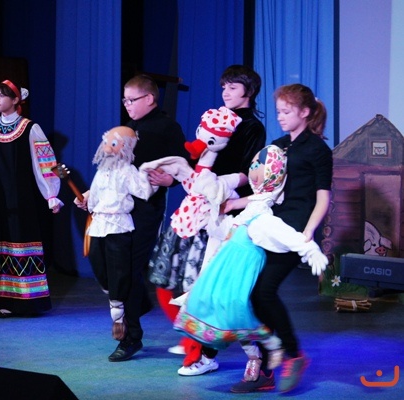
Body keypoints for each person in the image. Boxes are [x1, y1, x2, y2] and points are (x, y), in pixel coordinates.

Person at [148, 65, 268, 377]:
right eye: (224, 86)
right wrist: (177, 177)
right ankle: (194, 341)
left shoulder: (252, 126)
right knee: (170, 278)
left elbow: (249, 172)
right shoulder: (216, 117)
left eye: (233, 87)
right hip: (196, 206)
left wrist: (219, 189)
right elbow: (197, 159)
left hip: (224, 210)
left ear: (249, 91)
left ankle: (205, 351)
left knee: (206, 284)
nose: (226, 92)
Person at [174, 145, 328, 381]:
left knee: (240, 311)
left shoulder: (262, 217)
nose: (254, 168)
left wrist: (310, 249)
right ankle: (254, 351)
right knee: (219, 307)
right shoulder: (252, 210)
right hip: (226, 270)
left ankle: (269, 352)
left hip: (240, 272)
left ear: (272, 174)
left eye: (260, 165)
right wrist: (209, 218)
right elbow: (229, 229)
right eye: (254, 164)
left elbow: (283, 233)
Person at [230, 83, 333, 394]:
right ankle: (267, 366)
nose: (281, 117)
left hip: (293, 231)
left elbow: (323, 198)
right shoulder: (277, 146)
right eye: (278, 112)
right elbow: (265, 191)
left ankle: (292, 355)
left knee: (264, 291)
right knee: (252, 293)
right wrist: (233, 203)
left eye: (287, 111)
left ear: (305, 112)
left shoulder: (318, 150)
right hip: (269, 226)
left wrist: (307, 234)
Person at [105, 74, 190, 362]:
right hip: (119, 208)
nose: (127, 105)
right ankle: (136, 305)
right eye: (125, 100)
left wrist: (170, 180)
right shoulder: (128, 128)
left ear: (150, 99)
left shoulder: (167, 127)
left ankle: (130, 337)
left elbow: (183, 165)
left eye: (132, 99)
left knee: (129, 267)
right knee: (114, 267)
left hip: (146, 209)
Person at [0, 79, 63, 317]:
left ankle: (26, 301)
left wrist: (51, 194)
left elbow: (45, 163)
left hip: (23, 198)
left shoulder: (30, 128)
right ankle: (0, 299)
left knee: (21, 242)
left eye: (2, 95)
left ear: (16, 99)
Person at [74, 126, 157, 347]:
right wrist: (85, 200)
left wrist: (149, 175)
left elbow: (144, 191)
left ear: (126, 147)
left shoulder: (128, 171)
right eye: (106, 142)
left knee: (118, 271)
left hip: (118, 225)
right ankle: (121, 299)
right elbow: (95, 194)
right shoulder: (102, 171)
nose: (107, 148)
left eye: (113, 143)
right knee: (99, 267)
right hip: (99, 224)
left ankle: (118, 316)